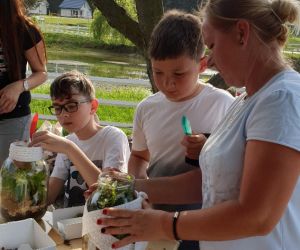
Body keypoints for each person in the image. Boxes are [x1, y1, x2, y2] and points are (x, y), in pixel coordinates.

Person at [97, 0, 300, 250]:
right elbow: (206, 183)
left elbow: (258, 215)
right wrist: (131, 187)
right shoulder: (245, 102)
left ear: (242, 33)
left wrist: (164, 224)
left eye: (212, 45)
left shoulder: (283, 98)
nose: (210, 61)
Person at [128, 10, 234, 249]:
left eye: (179, 73)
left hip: (200, 218)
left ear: (202, 65)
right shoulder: (146, 108)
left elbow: (228, 168)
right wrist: (137, 184)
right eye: (158, 73)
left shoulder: (223, 104)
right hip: (153, 211)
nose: (168, 83)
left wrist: (207, 147)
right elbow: (138, 156)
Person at [30, 71, 130, 207]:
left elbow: (109, 194)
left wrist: (69, 148)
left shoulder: (113, 137)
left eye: (71, 106)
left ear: (93, 106)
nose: (64, 114)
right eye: (57, 108)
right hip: (68, 221)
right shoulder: (68, 142)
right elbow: (49, 197)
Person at [0, 0, 47, 166]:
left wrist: (19, 86)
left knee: (9, 178)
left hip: (12, 120)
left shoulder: (24, 29)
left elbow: (41, 73)